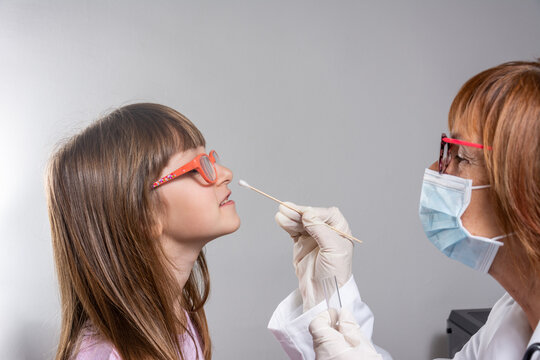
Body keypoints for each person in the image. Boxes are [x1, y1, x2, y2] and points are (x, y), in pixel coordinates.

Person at [268, 59, 540, 360]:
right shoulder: (510, 319)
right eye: (445, 149)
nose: (436, 169)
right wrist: (330, 295)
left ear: (525, 194)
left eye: (460, 156)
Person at [46, 103, 240, 360]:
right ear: (144, 215)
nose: (225, 174)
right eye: (198, 166)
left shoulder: (178, 319)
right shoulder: (106, 354)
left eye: (211, 159)